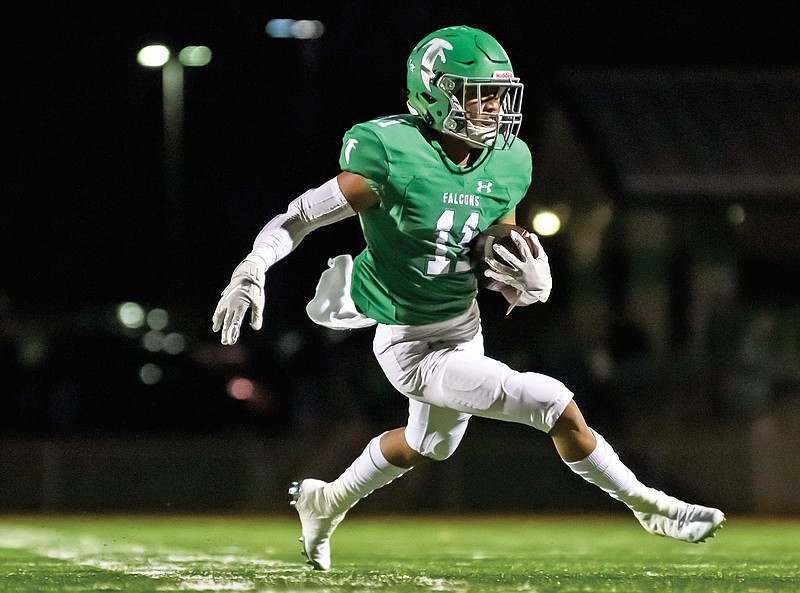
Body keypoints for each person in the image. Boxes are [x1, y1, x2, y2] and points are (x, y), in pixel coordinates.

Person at [212, 25, 724, 571]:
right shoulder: (390, 151)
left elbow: (492, 243)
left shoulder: (509, 161)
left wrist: (522, 281)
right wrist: (253, 264)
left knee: (428, 445)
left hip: (463, 324)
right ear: (434, 93)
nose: (493, 107)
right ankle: (650, 506)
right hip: (410, 342)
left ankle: (326, 499)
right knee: (552, 402)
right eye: (478, 93)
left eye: (499, 93)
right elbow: (301, 216)